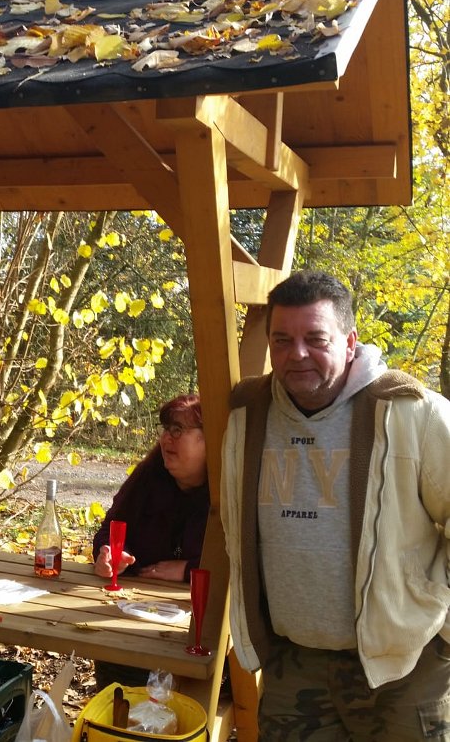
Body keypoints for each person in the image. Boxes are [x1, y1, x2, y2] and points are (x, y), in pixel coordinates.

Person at [221, 270, 450, 740]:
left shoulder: (413, 412)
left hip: (405, 668)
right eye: (282, 340)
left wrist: (444, 626)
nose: (297, 353)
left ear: (349, 342)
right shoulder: (248, 413)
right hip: (295, 665)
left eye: (315, 339)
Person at [90, 393, 209, 688]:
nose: (167, 438)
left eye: (178, 430)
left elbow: (243, 563)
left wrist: (187, 569)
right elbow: (109, 529)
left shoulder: (228, 488)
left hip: (198, 633)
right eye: (166, 428)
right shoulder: (148, 474)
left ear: (209, 439)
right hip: (129, 622)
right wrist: (109, 555)